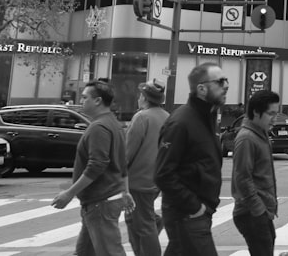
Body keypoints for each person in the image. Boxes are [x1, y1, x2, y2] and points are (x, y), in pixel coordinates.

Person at [51, 79, 132, 256]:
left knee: (110, 252)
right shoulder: (113, 124)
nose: (81, 101)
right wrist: (125, 191)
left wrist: (69, 193)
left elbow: (97, 165)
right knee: (85, 252)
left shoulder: (100, 127)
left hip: (101, 201)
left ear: (97, 101)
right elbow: (121, 163)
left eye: (84, 97)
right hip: (100, 201)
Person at [156, 62, 229, 256]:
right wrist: (195, 207)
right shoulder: (180, 122)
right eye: (220, 81)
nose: (226, 85)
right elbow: (163, 174)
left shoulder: (207, 118)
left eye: (226, 80)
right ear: (202, 89)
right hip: (187, 214)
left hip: (197, 213)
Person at [232, 90, 281, 256]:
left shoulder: (261, 133)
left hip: (261, 211)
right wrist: (258, 209)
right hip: (251, 213)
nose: (274, 119)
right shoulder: (247, 138)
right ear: (255, 112)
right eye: (270, 114)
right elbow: (242, 178)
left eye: (276, 113)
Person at [125, 80, 170, 256]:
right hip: (156, 177)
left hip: (139, 179)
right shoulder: (167, 116)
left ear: (144, 98)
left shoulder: (142, 117)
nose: (138, 98)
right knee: (133, 218)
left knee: (143, 223)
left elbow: (128, 151)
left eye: (140, 95)